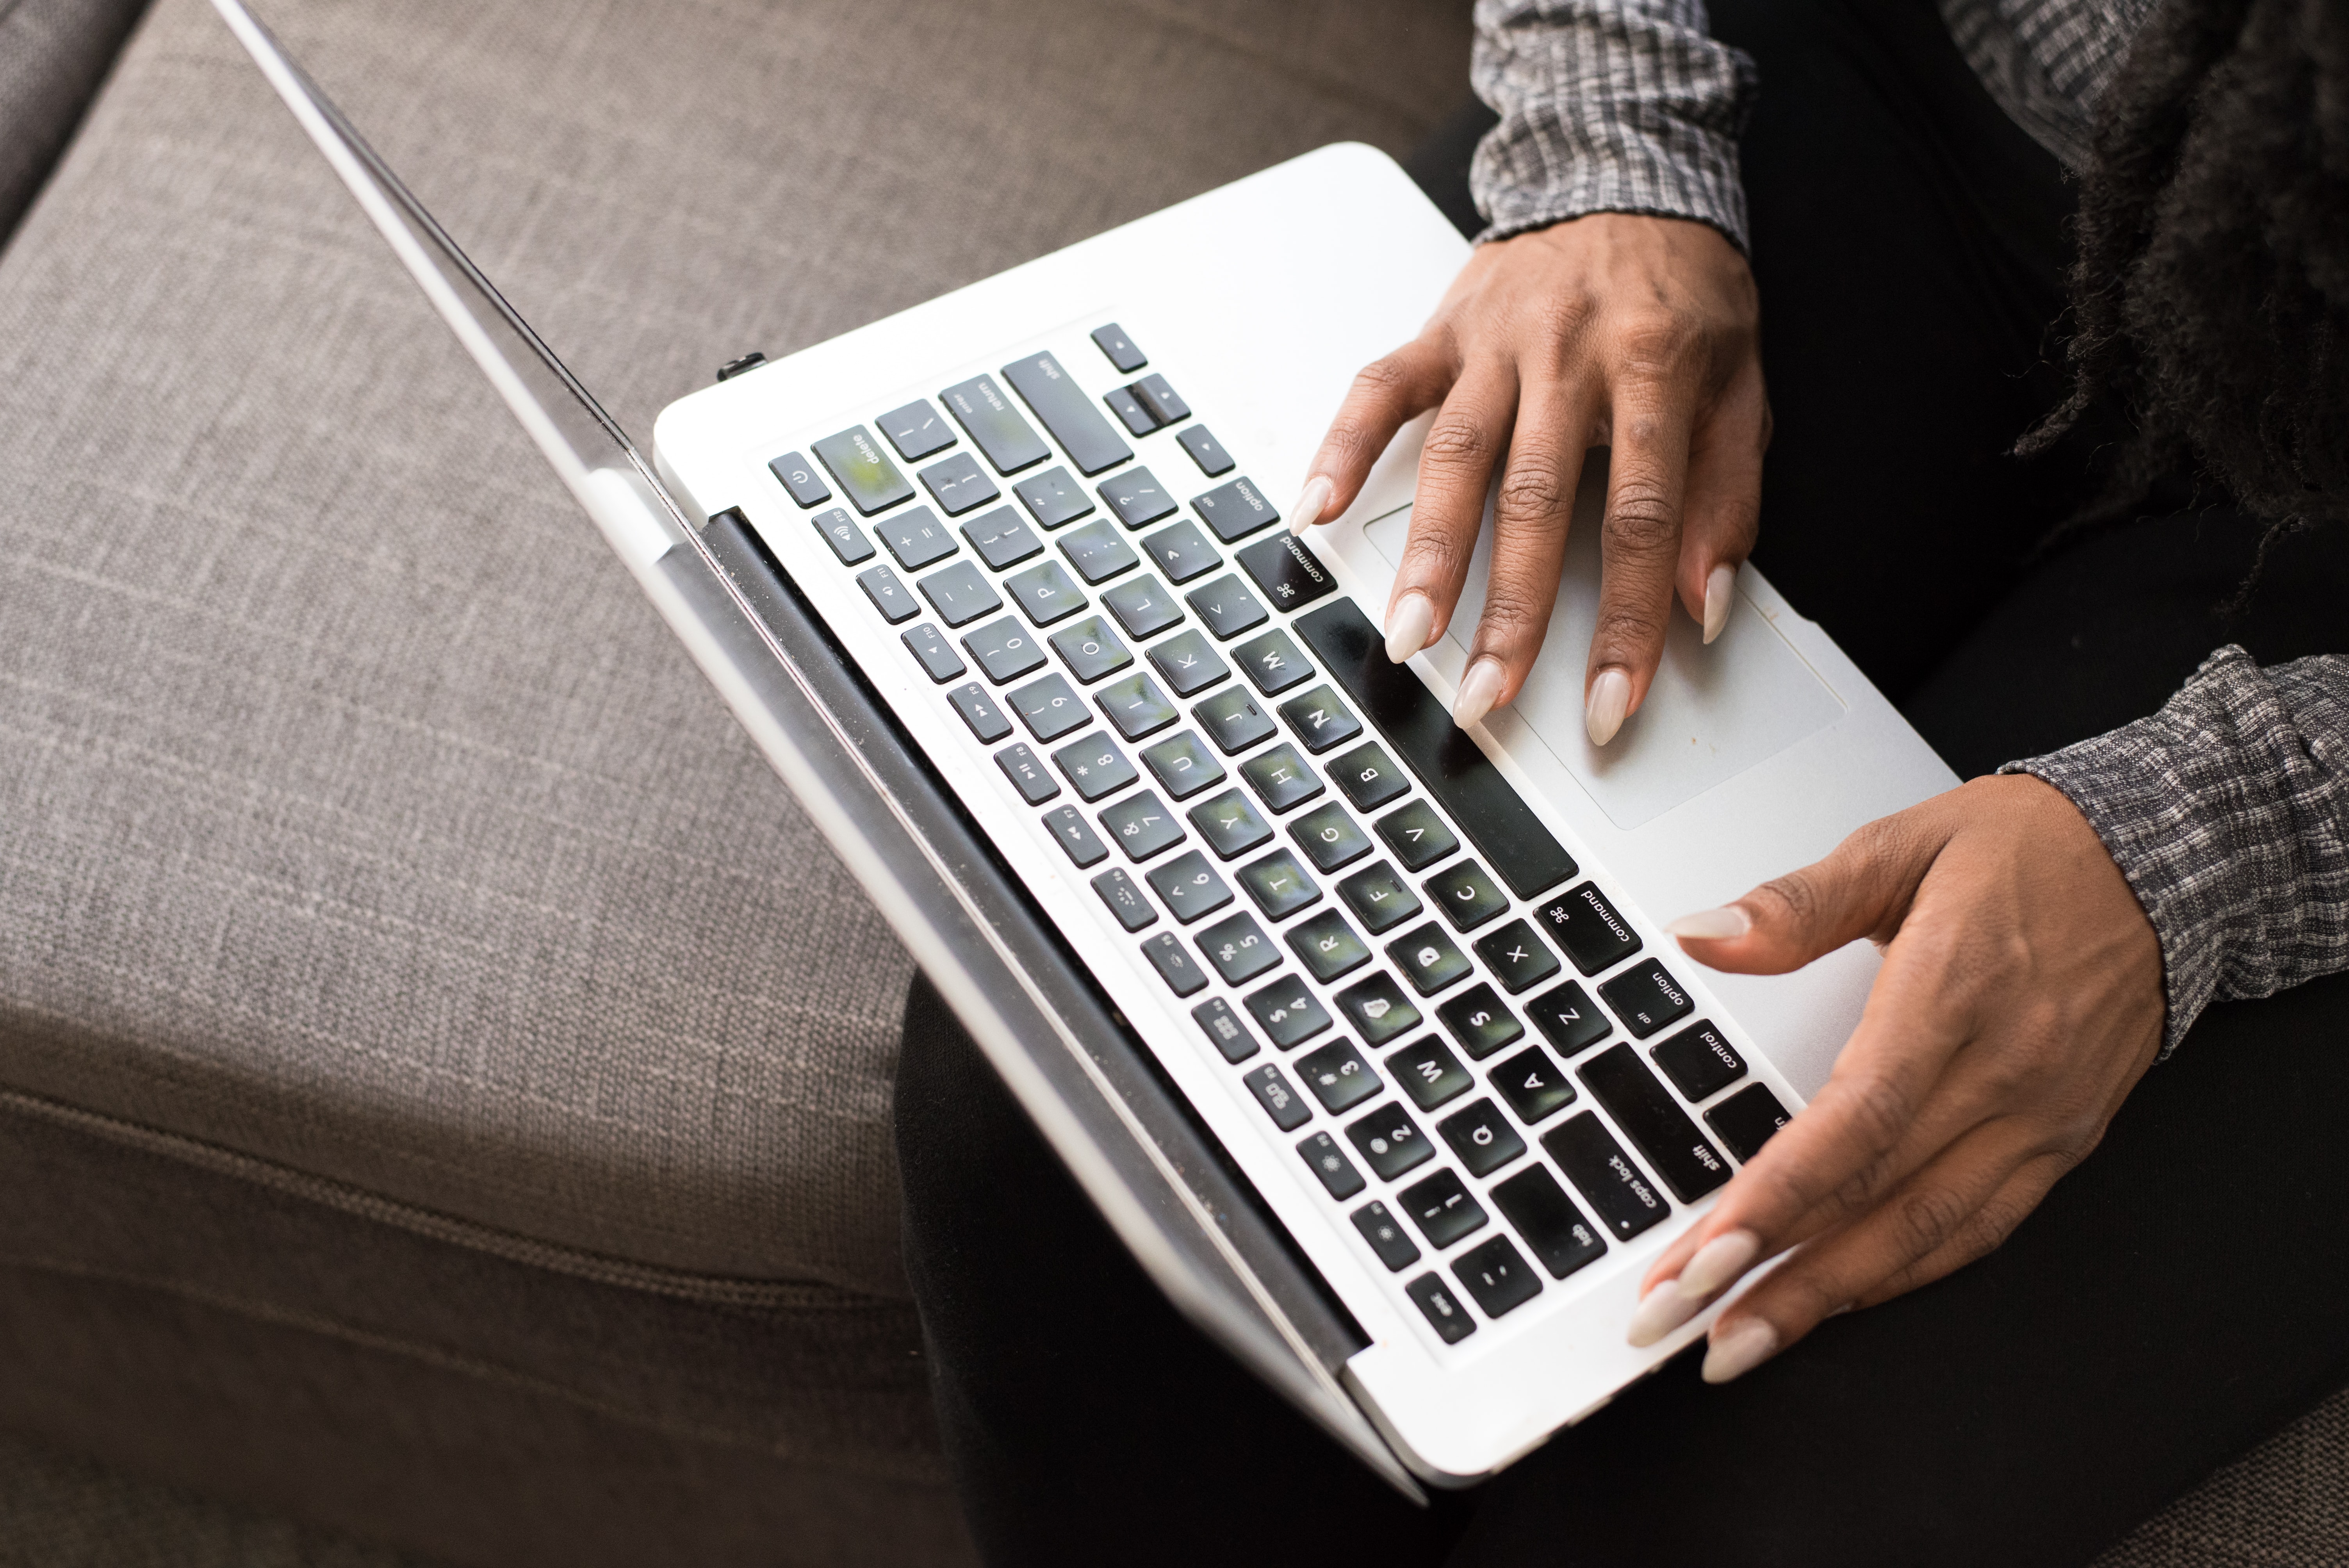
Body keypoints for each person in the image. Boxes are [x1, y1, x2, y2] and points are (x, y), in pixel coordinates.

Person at [895, 1, 2349, 1562]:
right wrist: (1608, 142)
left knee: (1752, 1485)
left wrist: (2215, 838)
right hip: (1905, 87)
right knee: (1074, 1106)